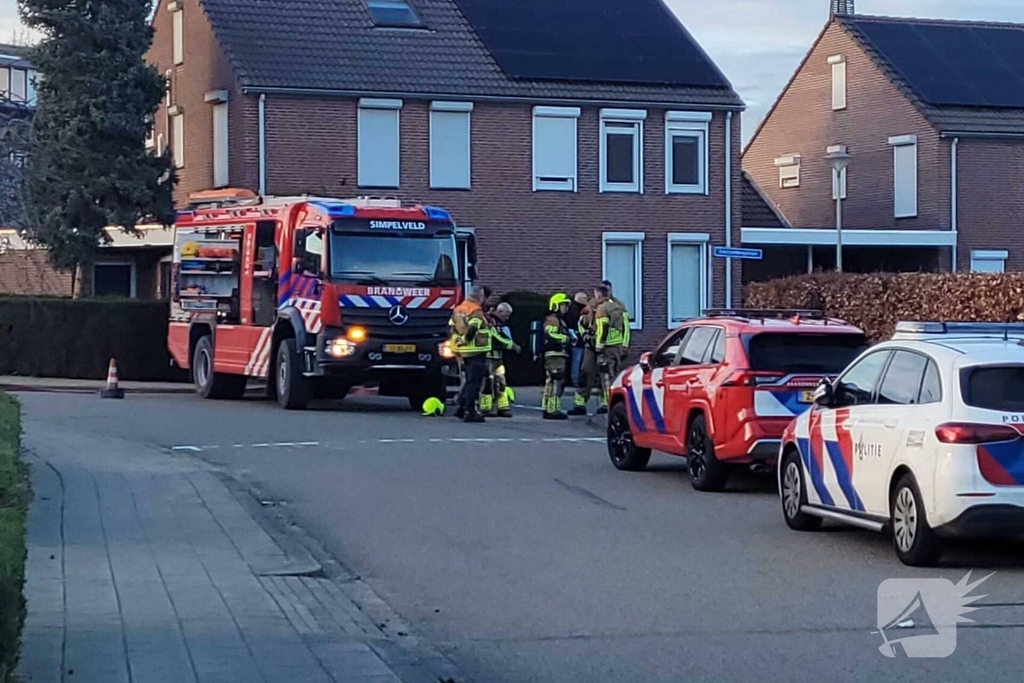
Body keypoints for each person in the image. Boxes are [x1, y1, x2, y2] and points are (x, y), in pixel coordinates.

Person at [448, 285, 492, 423]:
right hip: (475, 351)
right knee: (475, 383)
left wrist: (457, 341)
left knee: (469, 380)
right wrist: (465, 340)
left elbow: (451, 327)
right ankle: (470, 411)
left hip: (462, 352)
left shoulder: (459, 308)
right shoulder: (476, 311)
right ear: (479, 297)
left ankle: (461, 408)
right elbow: (473, 329)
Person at [594, 284, 630, 409]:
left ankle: (608, 402)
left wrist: (599, 346)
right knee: (614, 373)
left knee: (605, 375)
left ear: (599, 294)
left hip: (607, 346)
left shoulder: (602, 308)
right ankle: (612, 400)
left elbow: (602, 328)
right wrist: (624, 345)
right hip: (617, 345)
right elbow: (626, 327)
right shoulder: (618, 307)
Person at [481, 302, 519, 418]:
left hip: (497, 357)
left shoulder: (498, 323)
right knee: (488, 382)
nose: (507, 318)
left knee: (501, 382)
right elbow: (495, 337)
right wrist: (511, 345)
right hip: (488, 356)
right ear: (500, 311)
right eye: (506, 314)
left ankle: (503, 407)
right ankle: (485, 408)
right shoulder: (490, 321)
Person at [569, 291, 604, 416]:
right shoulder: (588, 308)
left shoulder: (615, 307)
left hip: (606, 347)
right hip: (590, 346)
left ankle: (605, 403)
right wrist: (585, 335)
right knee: (585, 373)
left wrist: (622, 347)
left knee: (605, 376)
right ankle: (580, 404)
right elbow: (581, 323)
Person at [541, 293, 572, 420]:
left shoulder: (560, 320)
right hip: (554, 355)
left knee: (552, 382)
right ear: (555, 306)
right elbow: (550, 334)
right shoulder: (553, 319)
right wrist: (565, 338)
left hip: (559, 355)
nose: (565, 308)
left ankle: (547, 407)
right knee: (556, 381)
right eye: (563, 305)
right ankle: (553, 409)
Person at [567, 291, 588, 387]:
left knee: (577, 360)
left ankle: (576, 379)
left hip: (578, 340)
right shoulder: (576, 311)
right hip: (577, 341)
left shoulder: (574, 309)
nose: (586, 300)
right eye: (585, 298)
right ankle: (575, 380)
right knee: (577, 360)